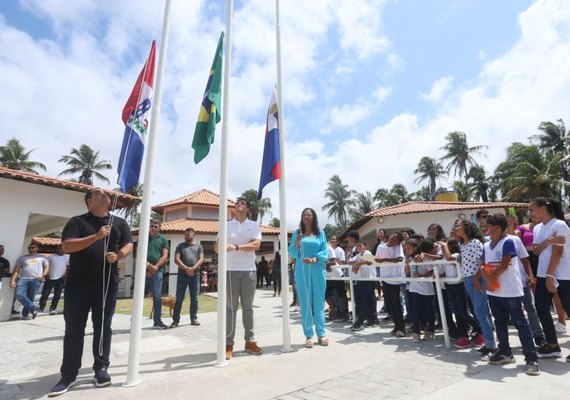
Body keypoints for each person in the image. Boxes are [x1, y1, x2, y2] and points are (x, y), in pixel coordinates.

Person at [48, 188, 132, 397]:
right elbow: (67, 246)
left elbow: (129, 244)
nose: (104, 194)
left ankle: (101, 369)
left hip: (107, 284)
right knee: (74, 329)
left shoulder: (119, 223)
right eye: (98, 193)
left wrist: (119, 255)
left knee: (103, 326)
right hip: (78, 284)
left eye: (105, 193)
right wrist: (95, 237)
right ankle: (68, 375)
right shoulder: (77, 221)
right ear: (89, 202)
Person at [476, 213, 540, 375]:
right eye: (490, 228)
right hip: (494, 292)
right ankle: (505, 352)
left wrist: (489, 277)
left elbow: (504, 264)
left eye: (495, 228)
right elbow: (482, 264)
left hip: (510, 291)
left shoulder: (509, 241)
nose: (492, 231)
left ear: (503, 228)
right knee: (499, 322)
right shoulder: (486, 245)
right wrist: (479, 279)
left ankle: (531, 358)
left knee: (520, 323)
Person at [215, 197, 263, 360]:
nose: (239, 205)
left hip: (249, 270)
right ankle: (228, 344)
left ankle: (250, 341)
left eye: (242, 203)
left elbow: (256, 246)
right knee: (230, 308)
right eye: (237, 204)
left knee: (248, 307)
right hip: (230, 270)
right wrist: (221, 245)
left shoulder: (254, 225)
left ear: (247, 209)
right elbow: (217, 247)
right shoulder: (226, 225)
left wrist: (235, 247)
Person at [529, 197, 570, 362]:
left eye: (532, 210)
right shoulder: (538, 228)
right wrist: (548, 241)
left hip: (563, 275)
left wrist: (550, 276)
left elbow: (558, 252)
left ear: (543, 208)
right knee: (541, 308)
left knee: (568, 308)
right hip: (544, 274)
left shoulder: (559, 225)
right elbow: (536, 251)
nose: (530, 213)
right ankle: (553, 345)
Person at [454, 219, 495, 359]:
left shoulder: (475, 243)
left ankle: (490, 345)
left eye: (459, 226)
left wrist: (477, 279)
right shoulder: (462, 244)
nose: (456, 228)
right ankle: (490, 342)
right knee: (482, 312)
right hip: (467, 279)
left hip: (477, 278)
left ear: (467, 228)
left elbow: (482, 263)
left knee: (480, 311)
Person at [288, 207, 329, 348]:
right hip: (302, 270)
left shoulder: (321, 234)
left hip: (318, 269)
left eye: (309, 214)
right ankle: (308, 335)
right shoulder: (297, 233)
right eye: (304, 214)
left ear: (314, 217)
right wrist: (297, 242)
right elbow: (292, 253)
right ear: (302, 217)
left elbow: (325, 251)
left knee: (319, 302)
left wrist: (315, 259)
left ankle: (321, 334)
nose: (306, 216)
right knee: (305, 302)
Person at [170, 227, 204, 328]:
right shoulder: (180, 246)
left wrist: (193, 269)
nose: (186, 236)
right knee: (179, 298)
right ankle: (175, 321)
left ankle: (193, 319)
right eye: (185, 234)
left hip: (195, 275)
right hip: (182, 275)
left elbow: (201, 259)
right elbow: (176, 259)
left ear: (193, 235)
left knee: (194, 298)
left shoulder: (199, 246)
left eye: (188, 234)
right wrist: (186, 269)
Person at [375, 233, 405, 336]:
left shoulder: (398, 247)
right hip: (384, 277)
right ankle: (396, 326)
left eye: (395, 240)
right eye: (392, 237)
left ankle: (401, 327)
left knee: (396, 301)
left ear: (398, 242)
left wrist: (384, 260)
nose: (392, 240)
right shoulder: (381, 246)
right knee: (390, 303)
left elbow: (399, 259)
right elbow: (376, 260)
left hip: (395, 278)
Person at [9, 243, 48, 320]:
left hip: (36, 280)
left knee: (31, 297)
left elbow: (46, 267)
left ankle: (25, 315)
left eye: (33, 247)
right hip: (23, 279)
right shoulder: (22, 258)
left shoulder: (42, 257)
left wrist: (43, 275)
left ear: (37, 248)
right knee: (18, 294)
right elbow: (16, 270)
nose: (31, 249)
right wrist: (13, 280)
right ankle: (33, 308)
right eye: (29, 247)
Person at [145, 220, 169, 330]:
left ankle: (157, 322)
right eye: (151, 226)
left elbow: (165, 256)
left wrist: (155, 268)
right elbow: (139, 253)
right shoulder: (144, 238)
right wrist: (149, 267)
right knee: (138, 297)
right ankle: (134, 322)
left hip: (158, 272)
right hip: (143, 272)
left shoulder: (163, 240)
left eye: (156, 226)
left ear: (159, 228)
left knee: (157, 297)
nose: (153, 228)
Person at [349, 241, 377, 332]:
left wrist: (360, 263)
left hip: (369, 279)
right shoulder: (358, 255)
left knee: (365, 300)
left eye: (360, 246)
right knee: (367, 300)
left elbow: (370, 261)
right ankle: (372, 319)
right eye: (357, 246)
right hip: (362, 280)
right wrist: (352, 261)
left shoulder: (367, 253)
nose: (358, 247)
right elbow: (351, 261)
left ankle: (360, 321)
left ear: (365, 246)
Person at [39, 244, 69, 314]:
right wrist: (46, 275)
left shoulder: (67, 257)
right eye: (59, 248)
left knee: (57, 294)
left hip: (60, 279)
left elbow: (68, 268)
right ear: (57, 249)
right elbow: (45, 266)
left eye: (62, 248)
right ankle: (41, 308)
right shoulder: (50, 257)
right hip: (50, 278)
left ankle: (53, 308)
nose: (60, 249)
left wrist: (65, 276)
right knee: (45, 294)